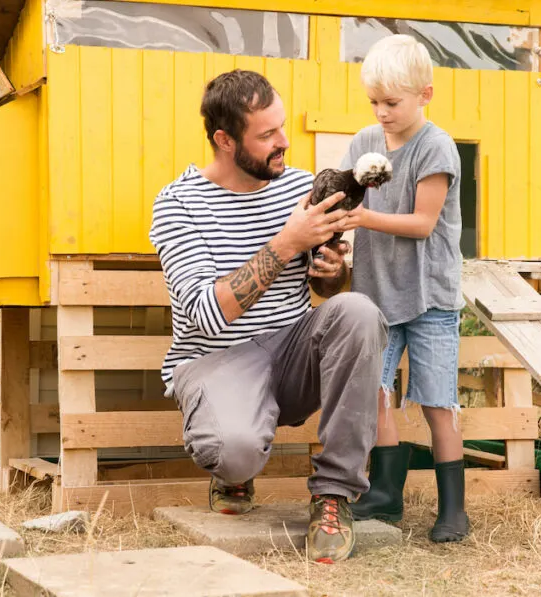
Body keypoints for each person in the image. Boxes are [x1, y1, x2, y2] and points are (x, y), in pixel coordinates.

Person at [148, 69, 389, 563]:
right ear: (224, 139)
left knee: (358, 312)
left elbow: (326, 287)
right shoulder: (179, 205)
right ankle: (233, 470)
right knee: (233, 453)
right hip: (219, 360)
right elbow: (204, 318)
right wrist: (287, 243)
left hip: (292, 349)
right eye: (266, 135)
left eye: (282, 127)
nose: (283, 142)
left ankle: (334, 495)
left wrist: (330, 268)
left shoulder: (301, 188)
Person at [338, 34, 470, 543]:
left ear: (425, 95)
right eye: (374, 102)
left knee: (438, 401)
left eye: (392, 102)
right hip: (375, 291)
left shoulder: (436, 147)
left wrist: (364, 215)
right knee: (375, 392)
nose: (382, 112)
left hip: (429, 293)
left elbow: (421, 223)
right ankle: (385, 495)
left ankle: (453, 510)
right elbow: (344, 201)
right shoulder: (362, 144)